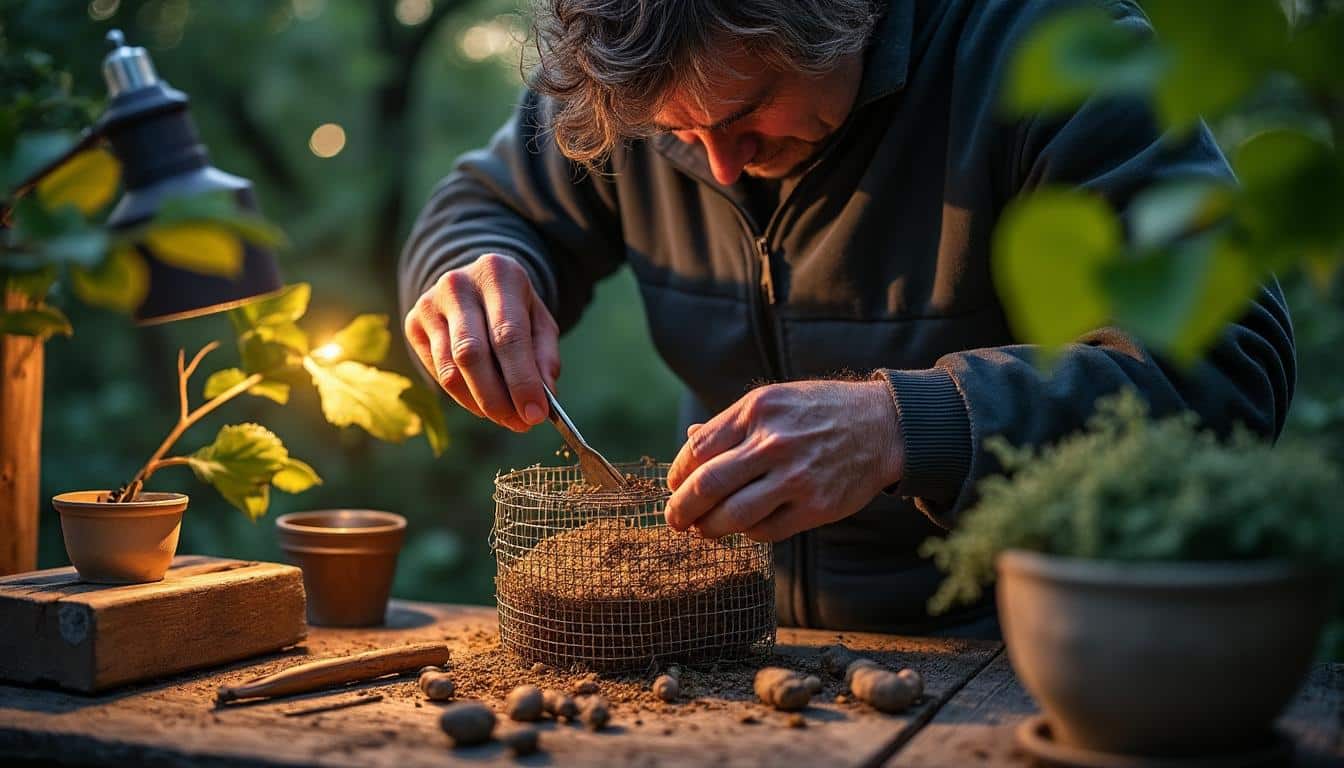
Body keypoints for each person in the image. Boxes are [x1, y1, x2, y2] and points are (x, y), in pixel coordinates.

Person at [399, 0, 1294, 636]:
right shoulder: (632, 74)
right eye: (676, 135)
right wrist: (472, 271)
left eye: (748, 111)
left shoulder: (1048, 52)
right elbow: (490, 204)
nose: (718, 166)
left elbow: (1223, 368)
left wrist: (905, 425)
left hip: (1027, 651)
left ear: (841, 14)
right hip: (742, 654)